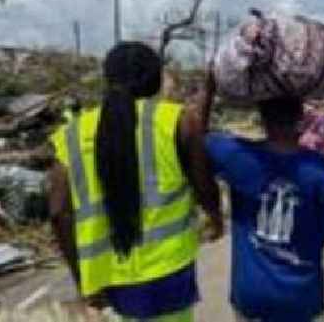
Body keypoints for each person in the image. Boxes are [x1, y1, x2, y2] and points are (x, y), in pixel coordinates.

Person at [48, 42, 222, 321]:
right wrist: (216, 219)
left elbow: (58, 212)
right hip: (169, 268)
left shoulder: (71, 134)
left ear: (108, 79)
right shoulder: (176, 120)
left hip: (109, 275)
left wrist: (83, 280)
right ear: (154, 80)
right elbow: (205, 187)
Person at [203, 75, 324, 322]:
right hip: (301, 301)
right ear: (300, 120)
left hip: (252, 298)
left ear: (262, 119)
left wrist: (210, 85)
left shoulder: (237, 156)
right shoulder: (318, 170)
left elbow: (194, 134)